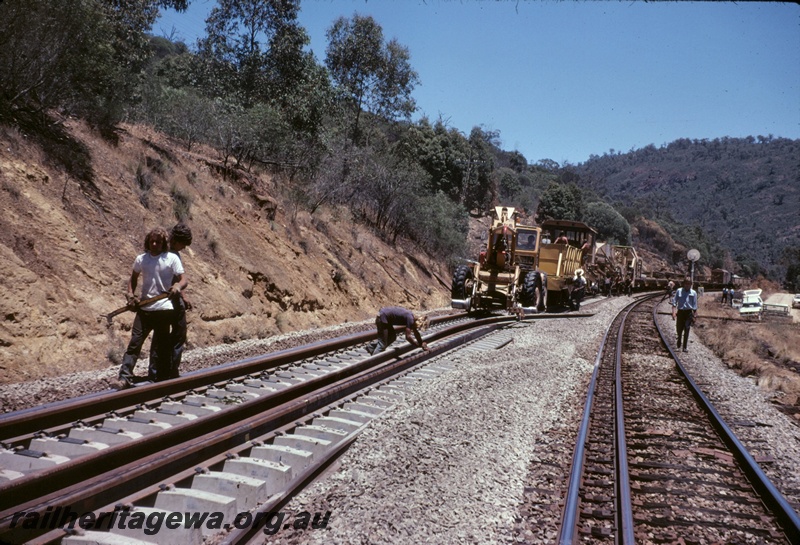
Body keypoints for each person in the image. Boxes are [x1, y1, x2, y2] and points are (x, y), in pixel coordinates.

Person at [116, 227, 186, 388]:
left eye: (158, 242)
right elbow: (133, 278)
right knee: (135, 343)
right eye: (152, 241)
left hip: (163, 309)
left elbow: (184, 279)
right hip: (144, 309)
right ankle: (124, 377)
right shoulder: (141, 259)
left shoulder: (171, 259)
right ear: (148, 241)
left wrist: (177, 287)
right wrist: (130, 294)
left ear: (164, 243)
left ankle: (159, 380)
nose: (154, 244)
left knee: (161, 346)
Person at [150, 223, 193, 380]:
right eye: (183, 244)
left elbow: (178, 278)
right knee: (176, 335)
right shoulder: (169, 254)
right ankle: (169, 371)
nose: (184, 248)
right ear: (176, 240)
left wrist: (184, 295)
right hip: (167, 300)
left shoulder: (163, 252)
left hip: (167, 300)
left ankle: (158, 372)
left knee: (162, 336)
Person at [671, 277, 698, 352]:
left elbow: (695, 306)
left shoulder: (693, 293)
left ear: (691, 285)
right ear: (684, 284)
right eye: (686, 284)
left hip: (688, 313)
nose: (687, 285)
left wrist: (695, 316)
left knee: (687, 328)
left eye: (689, 284)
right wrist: (673, 313)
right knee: (679, 328)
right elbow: (674, 302)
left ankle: (685, 347)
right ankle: (679, 340)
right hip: (680, 312)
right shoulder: (679, 291)